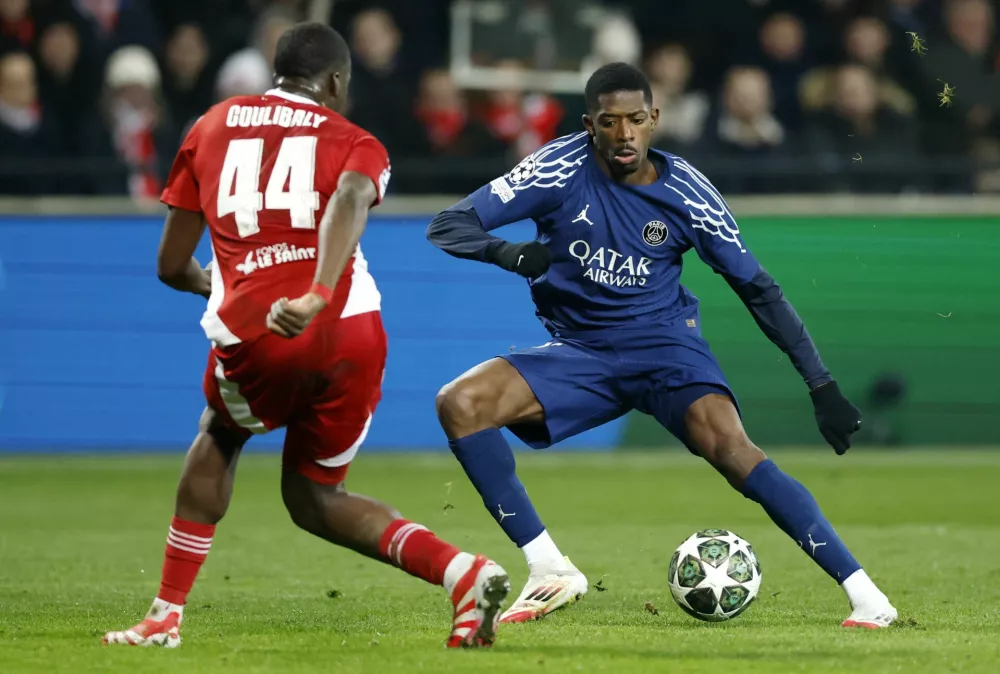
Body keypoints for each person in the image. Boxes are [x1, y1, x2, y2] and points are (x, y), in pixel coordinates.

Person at [425, 62, 897, 629]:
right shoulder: (555, 168)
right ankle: (549, 568)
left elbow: (757, 288)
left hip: (665, 346)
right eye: (609, 122)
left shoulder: (690, 193)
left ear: (655, 119)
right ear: (588, 125)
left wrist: (820, 383)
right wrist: (506, 253)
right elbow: (448, 224)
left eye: (636, 120)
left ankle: (867, 595)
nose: (624, 135)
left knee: (732, 449)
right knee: (460, 403)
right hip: (582, 352)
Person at [102, 23, 509, 650]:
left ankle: (164, 615)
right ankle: (463, 573)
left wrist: (211, 282)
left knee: (221, 431)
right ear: (337, 82)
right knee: (316, 495)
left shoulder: (209, 126)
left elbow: (169, 265)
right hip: (353, 331)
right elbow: (351, 194)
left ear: (276, 71)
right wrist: (320, 291)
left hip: (263, 333)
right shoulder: (358, 141)